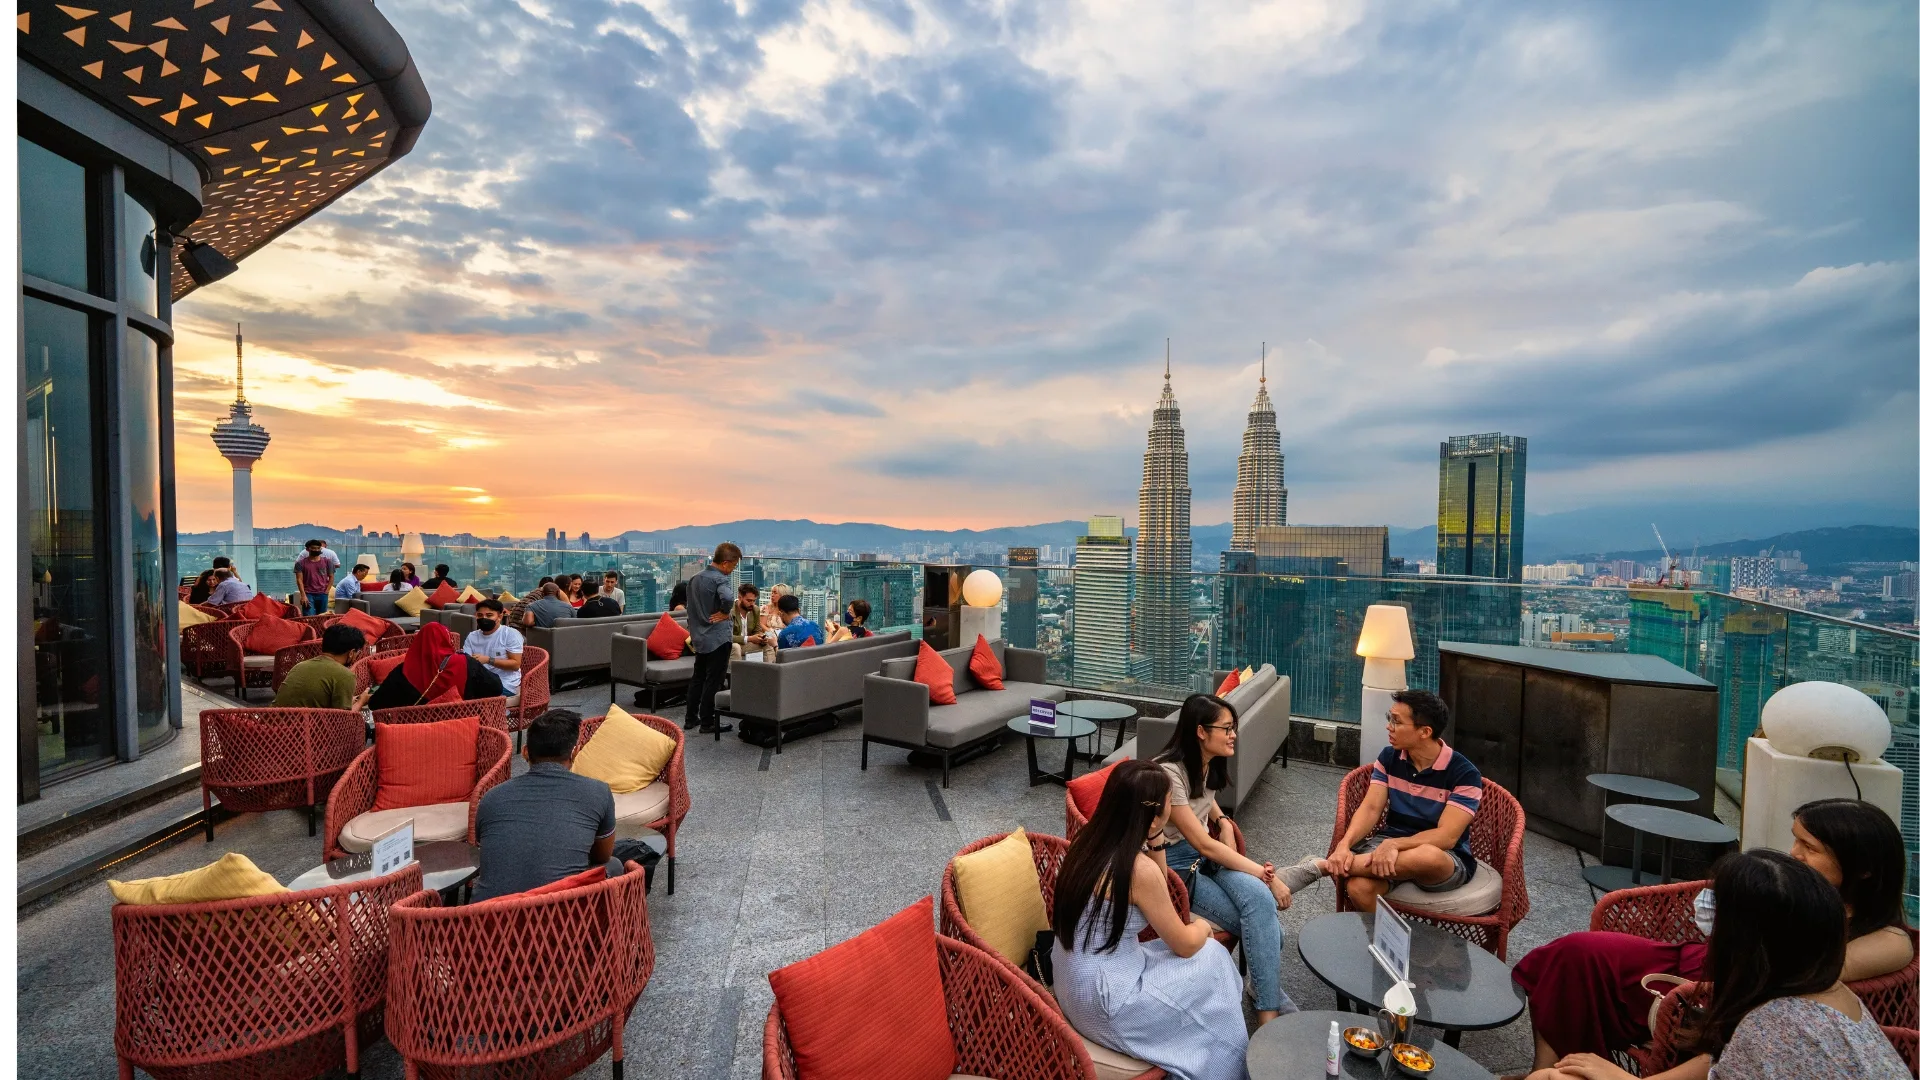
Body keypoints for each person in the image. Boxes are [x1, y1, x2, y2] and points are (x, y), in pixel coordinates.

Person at [1514, 798, 1914, 1073]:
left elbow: (1794, 975)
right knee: (1574, 954)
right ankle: (1544, 1070)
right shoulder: (1805, 897)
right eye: (1795, 840)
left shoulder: (1883, 942)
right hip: (1706, 958)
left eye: (1809, 847)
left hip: (1718, 985)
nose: (1794, 854)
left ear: (1863, 868)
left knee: (1582, 964)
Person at [1052, 759, 1250, 1080]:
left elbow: (1158, 889)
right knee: (1211, 956)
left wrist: (1155, 836)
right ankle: (1225, 1061)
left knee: (1195, 965)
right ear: (1155, 813)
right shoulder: (1136, 870)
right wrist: (1202, 928)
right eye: (1170, 800)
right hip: (1108, 1001)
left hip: (1074, 980)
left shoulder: (1089, 842)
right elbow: (1184, 944)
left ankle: (1204, 1046)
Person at [1152, 693, 1311, 1023]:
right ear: (1200, 731)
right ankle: (1268, 1011)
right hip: (1179, 870)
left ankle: (1262, 997)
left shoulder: (1204, 764)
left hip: (1205, 859)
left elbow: (1204, 803)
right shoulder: (1169, 773)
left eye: (1233, 727)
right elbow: (1204, 844)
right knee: (1270, 931)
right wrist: (1267, 875)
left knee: (1259, 906)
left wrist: (1222, 821)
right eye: (1226, 728)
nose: (1233, 734)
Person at [1312, 688, 1483, 911]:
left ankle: (1320, 867)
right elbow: (1371, 808)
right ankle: (1397, 945)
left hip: (1443, 857)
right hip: (1386, 847)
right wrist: (1344, 845)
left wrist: (1394, 845)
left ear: (1424, 731)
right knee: (1358, 888)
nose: (1388, 727)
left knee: (1427, 856)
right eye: (1389, 719)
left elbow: (1447, 837)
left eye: (1396, 721)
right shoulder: (1389, 758)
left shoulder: (1464, 773)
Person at [469, 710, 657, 901]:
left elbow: (488, 854)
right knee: (615, 863)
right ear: (575, 751)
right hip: (562, 916)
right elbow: (602, 856)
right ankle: (621, 924)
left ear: (525, 752)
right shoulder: (598, 791)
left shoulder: (491, 798)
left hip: (490, 921)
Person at [365, 622, 502, 710]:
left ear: (418, 643)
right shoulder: (467, 663)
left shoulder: (403, 671)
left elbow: (376, 704)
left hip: (413, 734)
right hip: (463, 726)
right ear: (447, 640)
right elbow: (496, 687)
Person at [683, 543, 739, 735]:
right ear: (725, 563)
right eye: (734, 565)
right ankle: (707, 722)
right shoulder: (719, 579)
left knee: (698, 678)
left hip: (699, 636)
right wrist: (724, 612)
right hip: (718, 637)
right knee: (713, 681)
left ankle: (691, 718)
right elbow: (728, 598)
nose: (733, 570)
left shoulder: (694, 579)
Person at [273, 624, 373, 711]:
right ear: (351, 653)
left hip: (270, 727)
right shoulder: (345, 675)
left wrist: (354, 699)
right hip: (302, 730)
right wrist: (361, 701)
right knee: (366, 727)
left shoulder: (300, 666)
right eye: (358, 652)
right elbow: (344, 719)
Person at [462, 597, 524, 697]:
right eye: (480, 615)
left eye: (489, 615)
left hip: (505, 684)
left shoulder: (510, 634)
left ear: (499, 616)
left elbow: (515, 664)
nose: (484, 618)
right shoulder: (472, 636)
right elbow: (466, 662)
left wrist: (488, 660)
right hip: (478, 681)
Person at [732, 583, 776, 661]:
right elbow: (726, 636)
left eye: (754, 601)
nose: (752, 603)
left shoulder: (755, 610)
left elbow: (757, 630)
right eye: (749, 600)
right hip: (731, 644)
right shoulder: (730, 611)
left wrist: (762, 638)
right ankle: (735, 673)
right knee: (736, 647)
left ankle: (771, 670)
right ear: (740, 598)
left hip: (746, 645)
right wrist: (749, 638)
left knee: (767, 645)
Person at [295, 540, 335, 616]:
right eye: (313, 548)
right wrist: (303, 595)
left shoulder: (328, 562)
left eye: (318, 548)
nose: (316, 550)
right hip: (308, 594)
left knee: (322, 617)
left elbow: (331, 577)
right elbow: (299, 580)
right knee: (309, 617)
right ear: (307, 549)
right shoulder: (300, 563)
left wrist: (327, 590)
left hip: (323, 594)